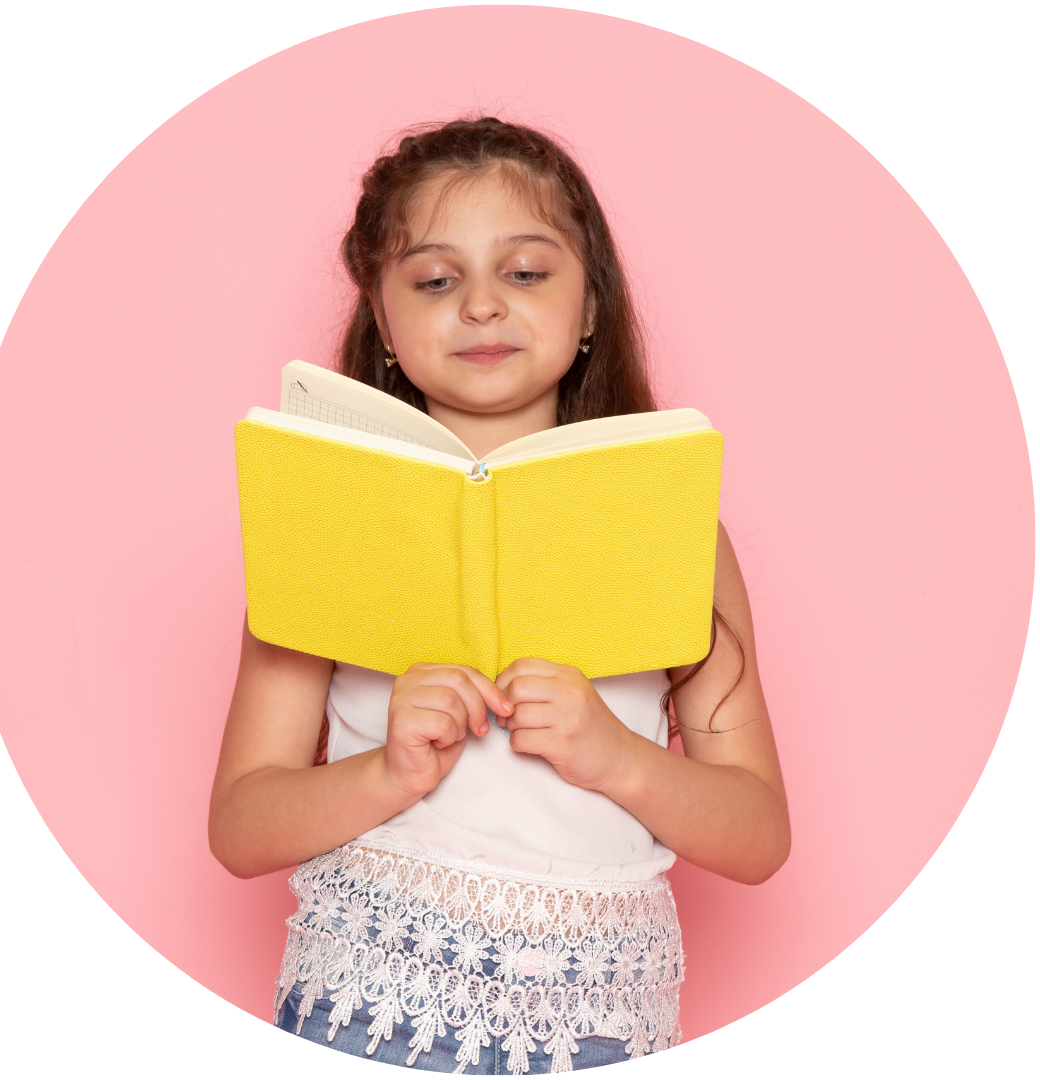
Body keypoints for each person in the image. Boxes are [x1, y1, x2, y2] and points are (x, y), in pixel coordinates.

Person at [208, 117, 790, 1076]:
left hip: (596, 1023)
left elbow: (759, 832)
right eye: (435, 281)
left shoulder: (673, 528)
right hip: (374, 1009)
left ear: (590, 305)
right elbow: (241, 824)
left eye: (525, 272)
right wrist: (387, 774)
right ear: (384, 322)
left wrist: (615, 755)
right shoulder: (327, 519)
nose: (481, 306)